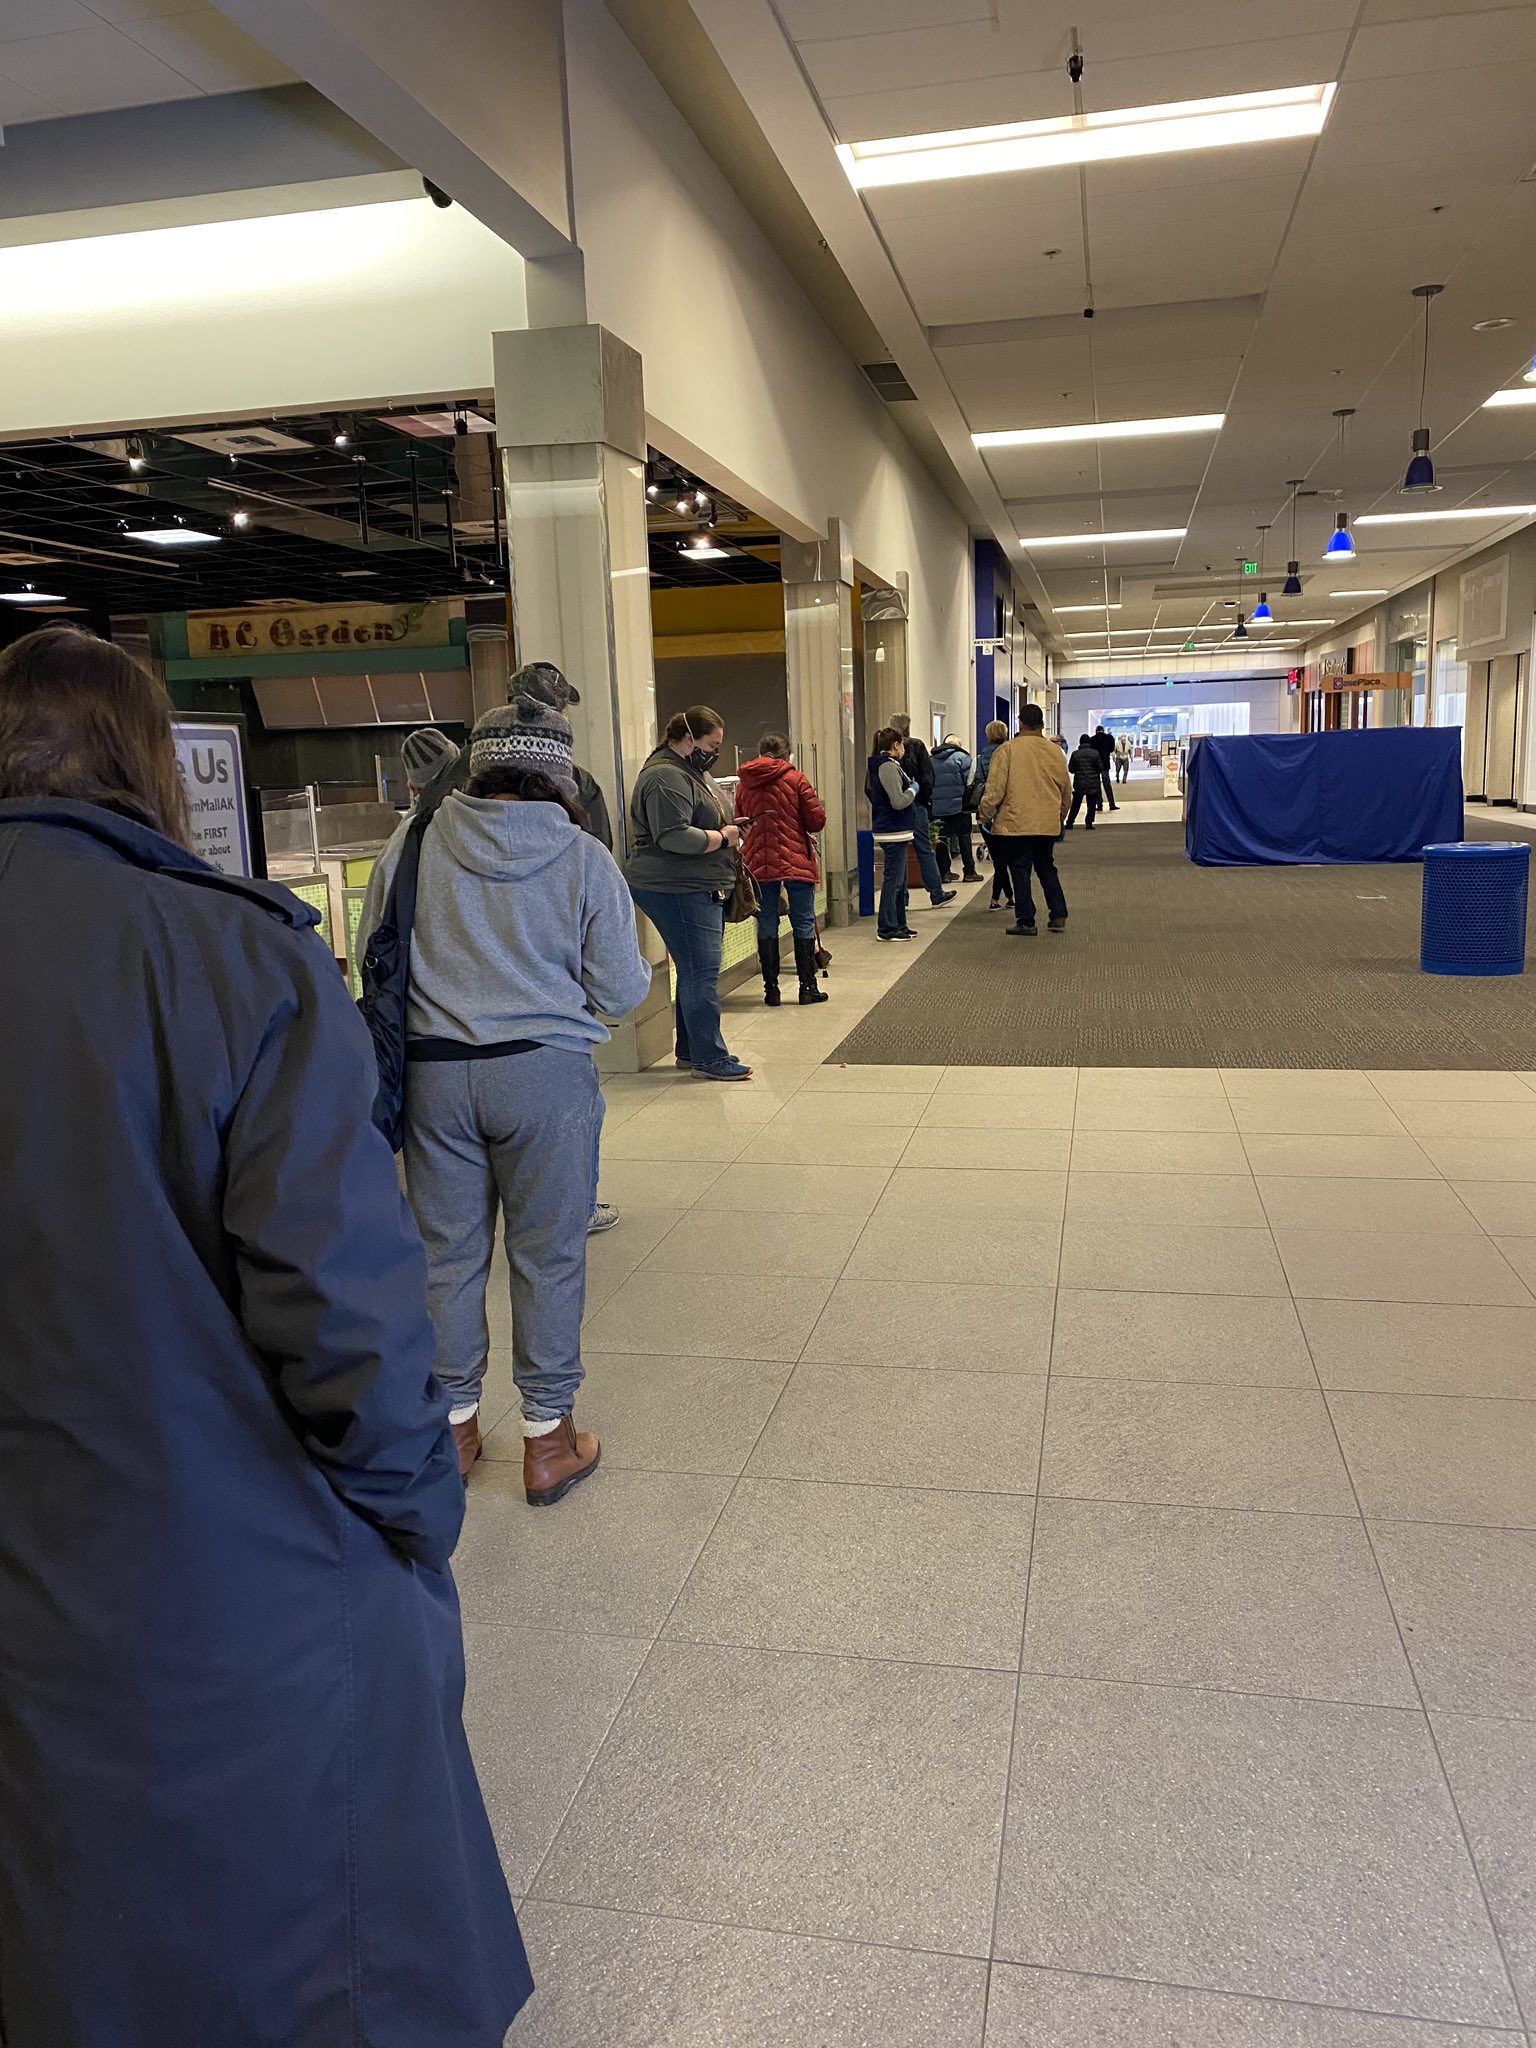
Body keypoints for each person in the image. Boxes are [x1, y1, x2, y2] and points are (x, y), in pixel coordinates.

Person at [0, 626, 530, 2047]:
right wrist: (421, 1507)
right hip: (228, 1571)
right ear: (149, 760)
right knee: (322, 1937)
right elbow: (345, 1320)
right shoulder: (232, 959)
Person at [371, 695, 651, 1493]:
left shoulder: (417, 840)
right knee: (547, 1257)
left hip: (435, 1078)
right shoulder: (583, 856)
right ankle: (547, 1442)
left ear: (477, 762)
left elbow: (374, 953)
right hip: (545, 1076)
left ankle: (454, 1432)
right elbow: (624, 990)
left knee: (447, 1257)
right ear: (559, 775)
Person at [626, 704, 752, 1080]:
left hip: (689, 883)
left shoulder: (687, 771)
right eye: (711, 743)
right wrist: (722, 837)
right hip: (677, 886)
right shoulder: (666, 776)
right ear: (688, 738)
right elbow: (673, 835)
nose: (715, 752)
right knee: (701, 972)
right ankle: (709, 1058)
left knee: (696, 971)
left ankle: (690, 1050)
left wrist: (727, 828)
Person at [735, 730, 828, 1006]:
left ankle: (771, 990)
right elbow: (816, 821)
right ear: (786, 753)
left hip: (758, 862)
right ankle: (807, 987)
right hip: (795, 858)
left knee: (766, 922)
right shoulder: (796, 779)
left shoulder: (744, 783)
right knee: (802, 921)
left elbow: (739, 820)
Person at [979, 700, 1073, 936]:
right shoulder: (1055, 752)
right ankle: (1058, 913)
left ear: (1020, 723)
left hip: (1016, 823)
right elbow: (1066, 790)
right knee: (1046, 866)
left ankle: (1026, 920)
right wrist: (1059, 816)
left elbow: (995, 789)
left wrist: (985, 814)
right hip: (1047, 823)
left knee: (1020, 870)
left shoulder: (1007, 751)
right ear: (1042, 724)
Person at [891, 711, 955, 908]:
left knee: (900, 850)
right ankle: (936, 892)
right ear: (907, 726)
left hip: (895, 807)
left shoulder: (884, 749)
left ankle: (902, 898)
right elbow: (927, 778)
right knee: (924, 850)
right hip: (916, 805)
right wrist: (924, 801)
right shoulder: (917, 745)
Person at [867, 723, 917, 940]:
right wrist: (913, 790)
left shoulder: (890, 765)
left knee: (900, 879)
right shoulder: (887, 767)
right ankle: (887, 928)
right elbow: (897, 801)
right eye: (902, 744)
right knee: (893, 880)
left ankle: (899, 924)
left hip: (898, 831)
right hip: (892, 830)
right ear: (896, 745)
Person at [930, 731, 980, 883]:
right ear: (958, 745)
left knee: (943, 839)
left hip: (938, 807)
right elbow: (969, 781)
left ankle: (945, 872)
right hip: (959, 806)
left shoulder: (931, 760)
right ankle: (969, 871)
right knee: (964, 837)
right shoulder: (963, 758)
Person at [975, 717, 1013, 911]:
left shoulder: (981, 757)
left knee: (999, 857)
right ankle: (998, 898)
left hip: (987, 813)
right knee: (1005, 859)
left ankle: (1006, 896)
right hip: (1008, 811)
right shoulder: (1010, 753)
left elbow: (978, 782)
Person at [1066, 733, 1104, 829]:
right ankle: (1089, 823)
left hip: (1080, 781)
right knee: (1091, 803)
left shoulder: (1075, 754)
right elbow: (1100, 767)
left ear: (1080, 742)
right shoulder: (1095, 753)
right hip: (1093, 781)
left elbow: (1071, 769)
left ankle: (1070, 822)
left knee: (1076, 803)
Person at [1091, 723, 1119, 811]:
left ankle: (1099, 805)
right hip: (1105, 764)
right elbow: (1111, 749)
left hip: (1095, 765)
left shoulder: (1092, 739)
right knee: (1107, 784)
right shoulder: (1109, 738)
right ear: (1103, 730)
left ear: (1096, 731)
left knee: (1097, 785)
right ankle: (1112, 804)